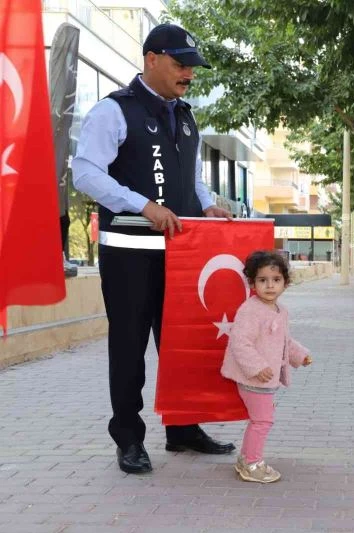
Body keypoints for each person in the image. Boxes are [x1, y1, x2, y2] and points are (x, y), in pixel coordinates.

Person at [72, 23, 235, 475]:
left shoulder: (186, 115)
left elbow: (193, 179)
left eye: (192, 67)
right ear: (151, 59)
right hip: (128, 252)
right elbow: (85, 173)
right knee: (129, 346)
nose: (189, 74)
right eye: (180, 65)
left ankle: (183, 430)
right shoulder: (113, 111)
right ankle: (128, 437)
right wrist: (143, 206)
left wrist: (209, 205)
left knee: (181, 344)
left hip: (181, 253)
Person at [220, 251, 312, 483]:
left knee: (260, 419)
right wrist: (257, 367)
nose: (270, 286)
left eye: (276, 280)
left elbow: (284, 341)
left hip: (266, 378)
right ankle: (252, 463)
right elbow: (240, 343)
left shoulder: (280, 310)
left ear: (285, 283)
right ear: (252, 283)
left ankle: (246, 459)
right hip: (254, 378)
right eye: (262, 280)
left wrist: (300, 355)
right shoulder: (250, 310)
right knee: (262, 421)